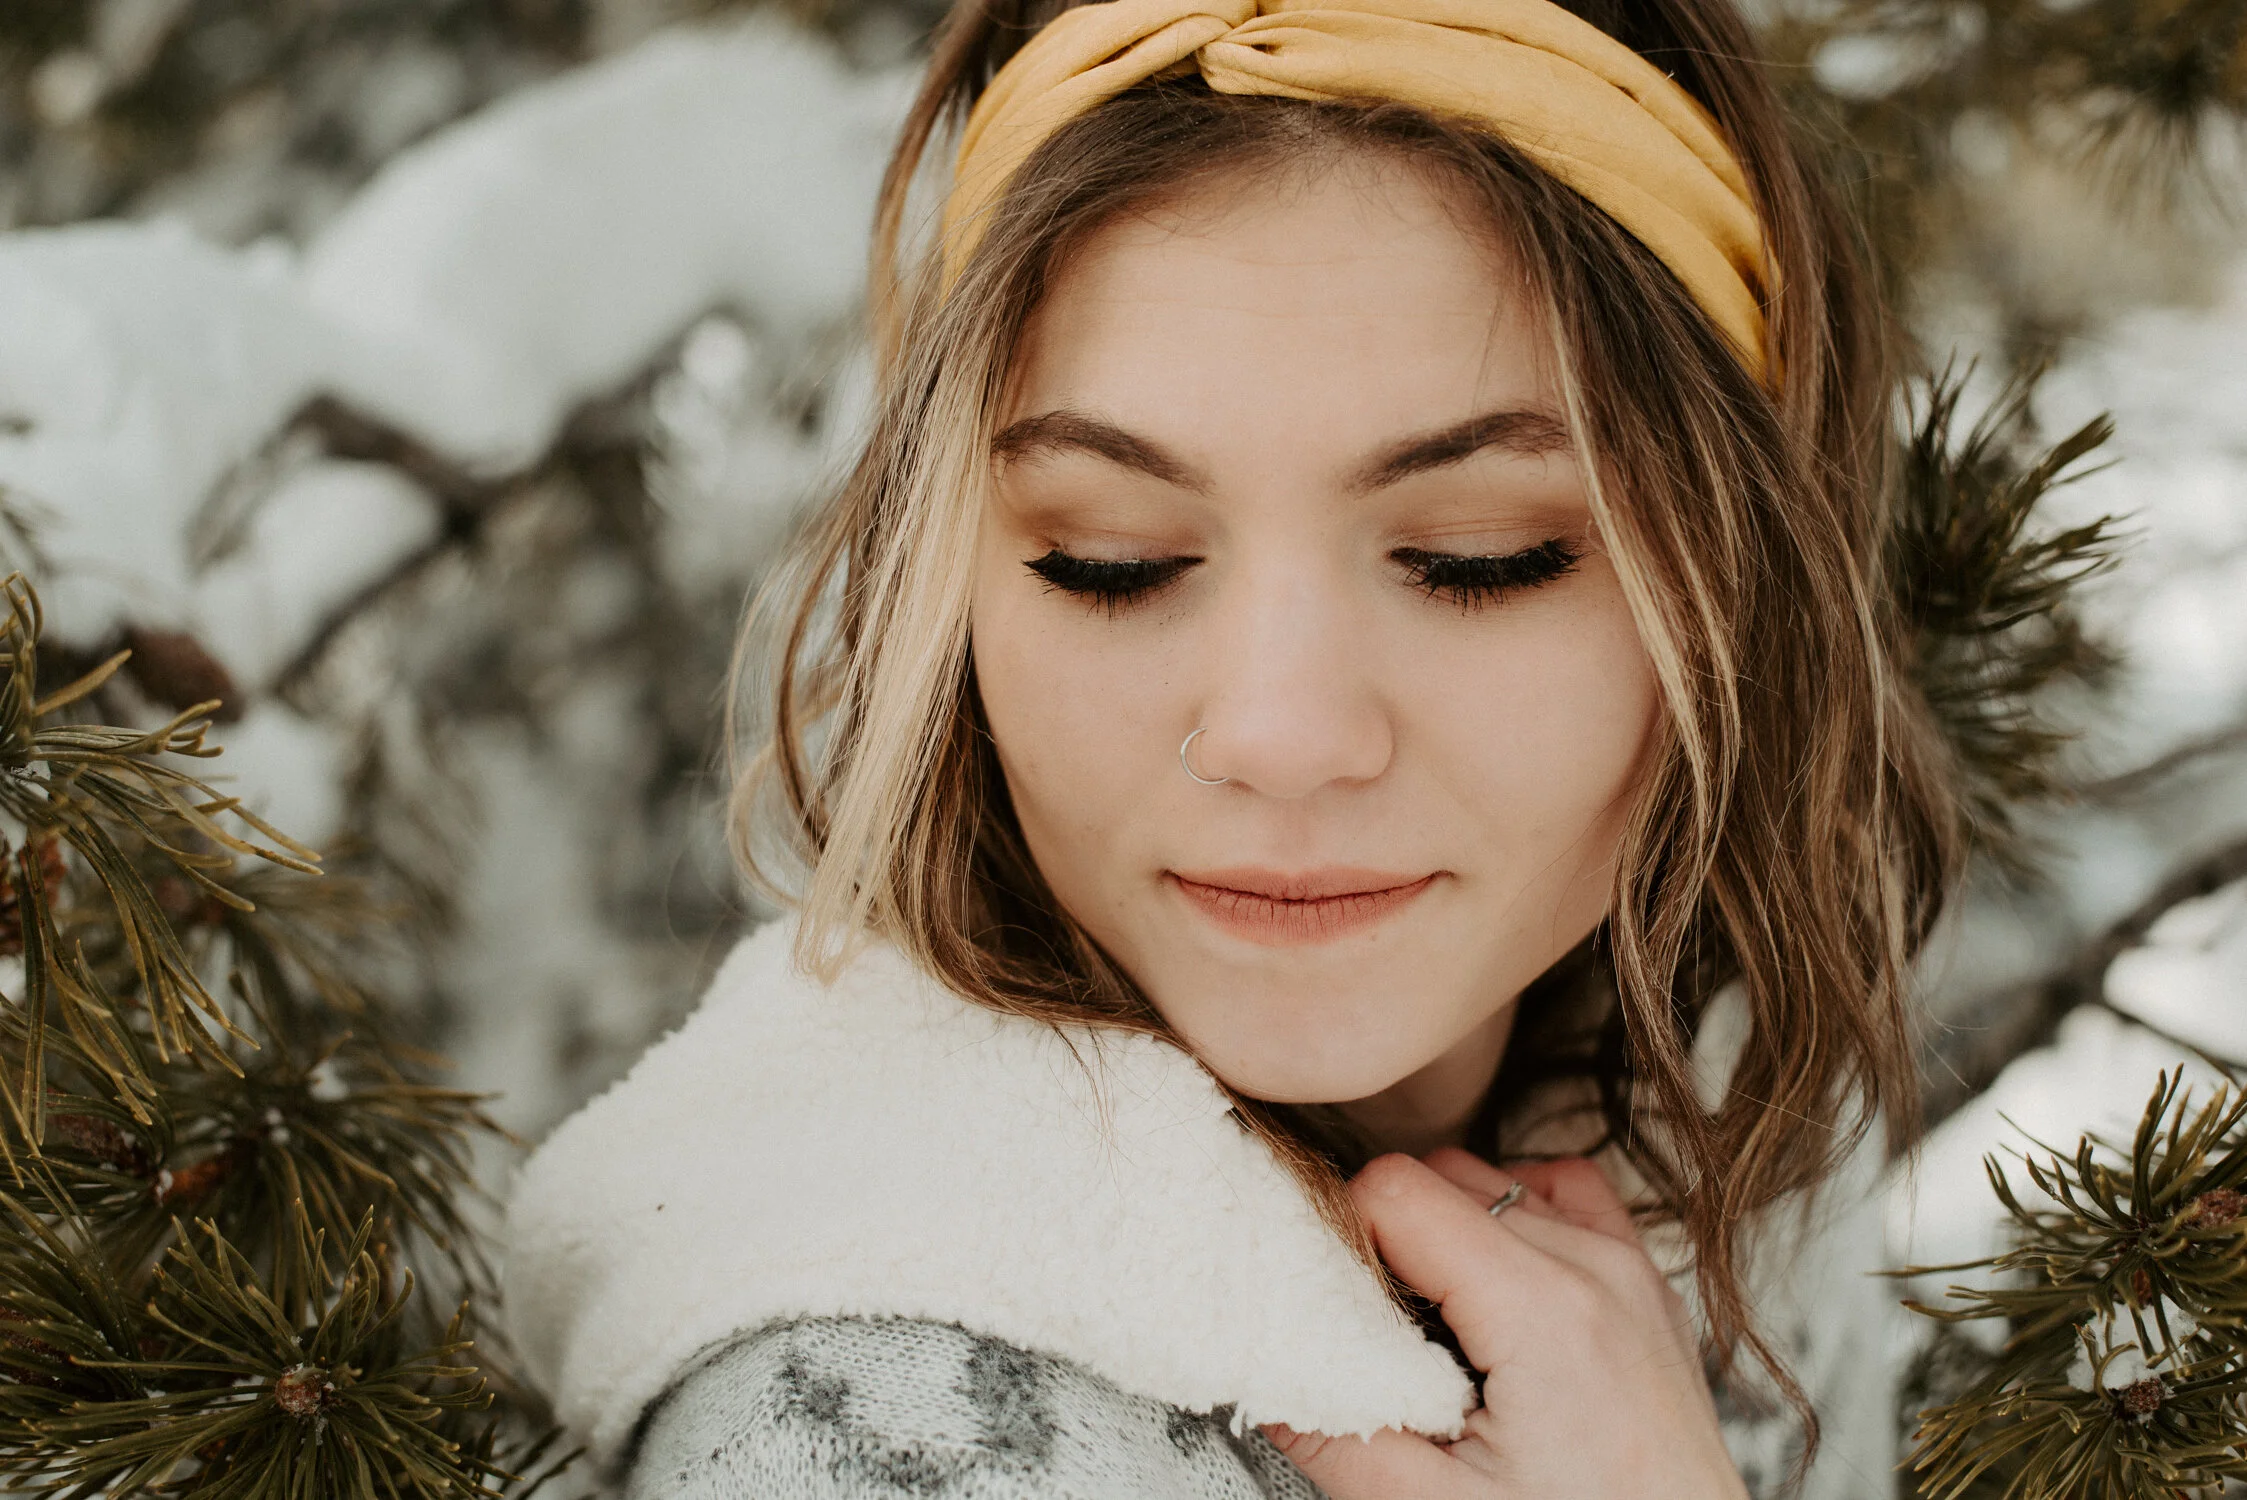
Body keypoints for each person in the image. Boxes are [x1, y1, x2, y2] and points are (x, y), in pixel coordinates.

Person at [500, 0, 1967, 1493]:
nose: (1279, 737)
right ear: (946, 587)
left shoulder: (1735, 1127)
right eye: (1113, 561)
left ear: (1745, 584)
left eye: (1478, 557)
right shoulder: (873, 1438)